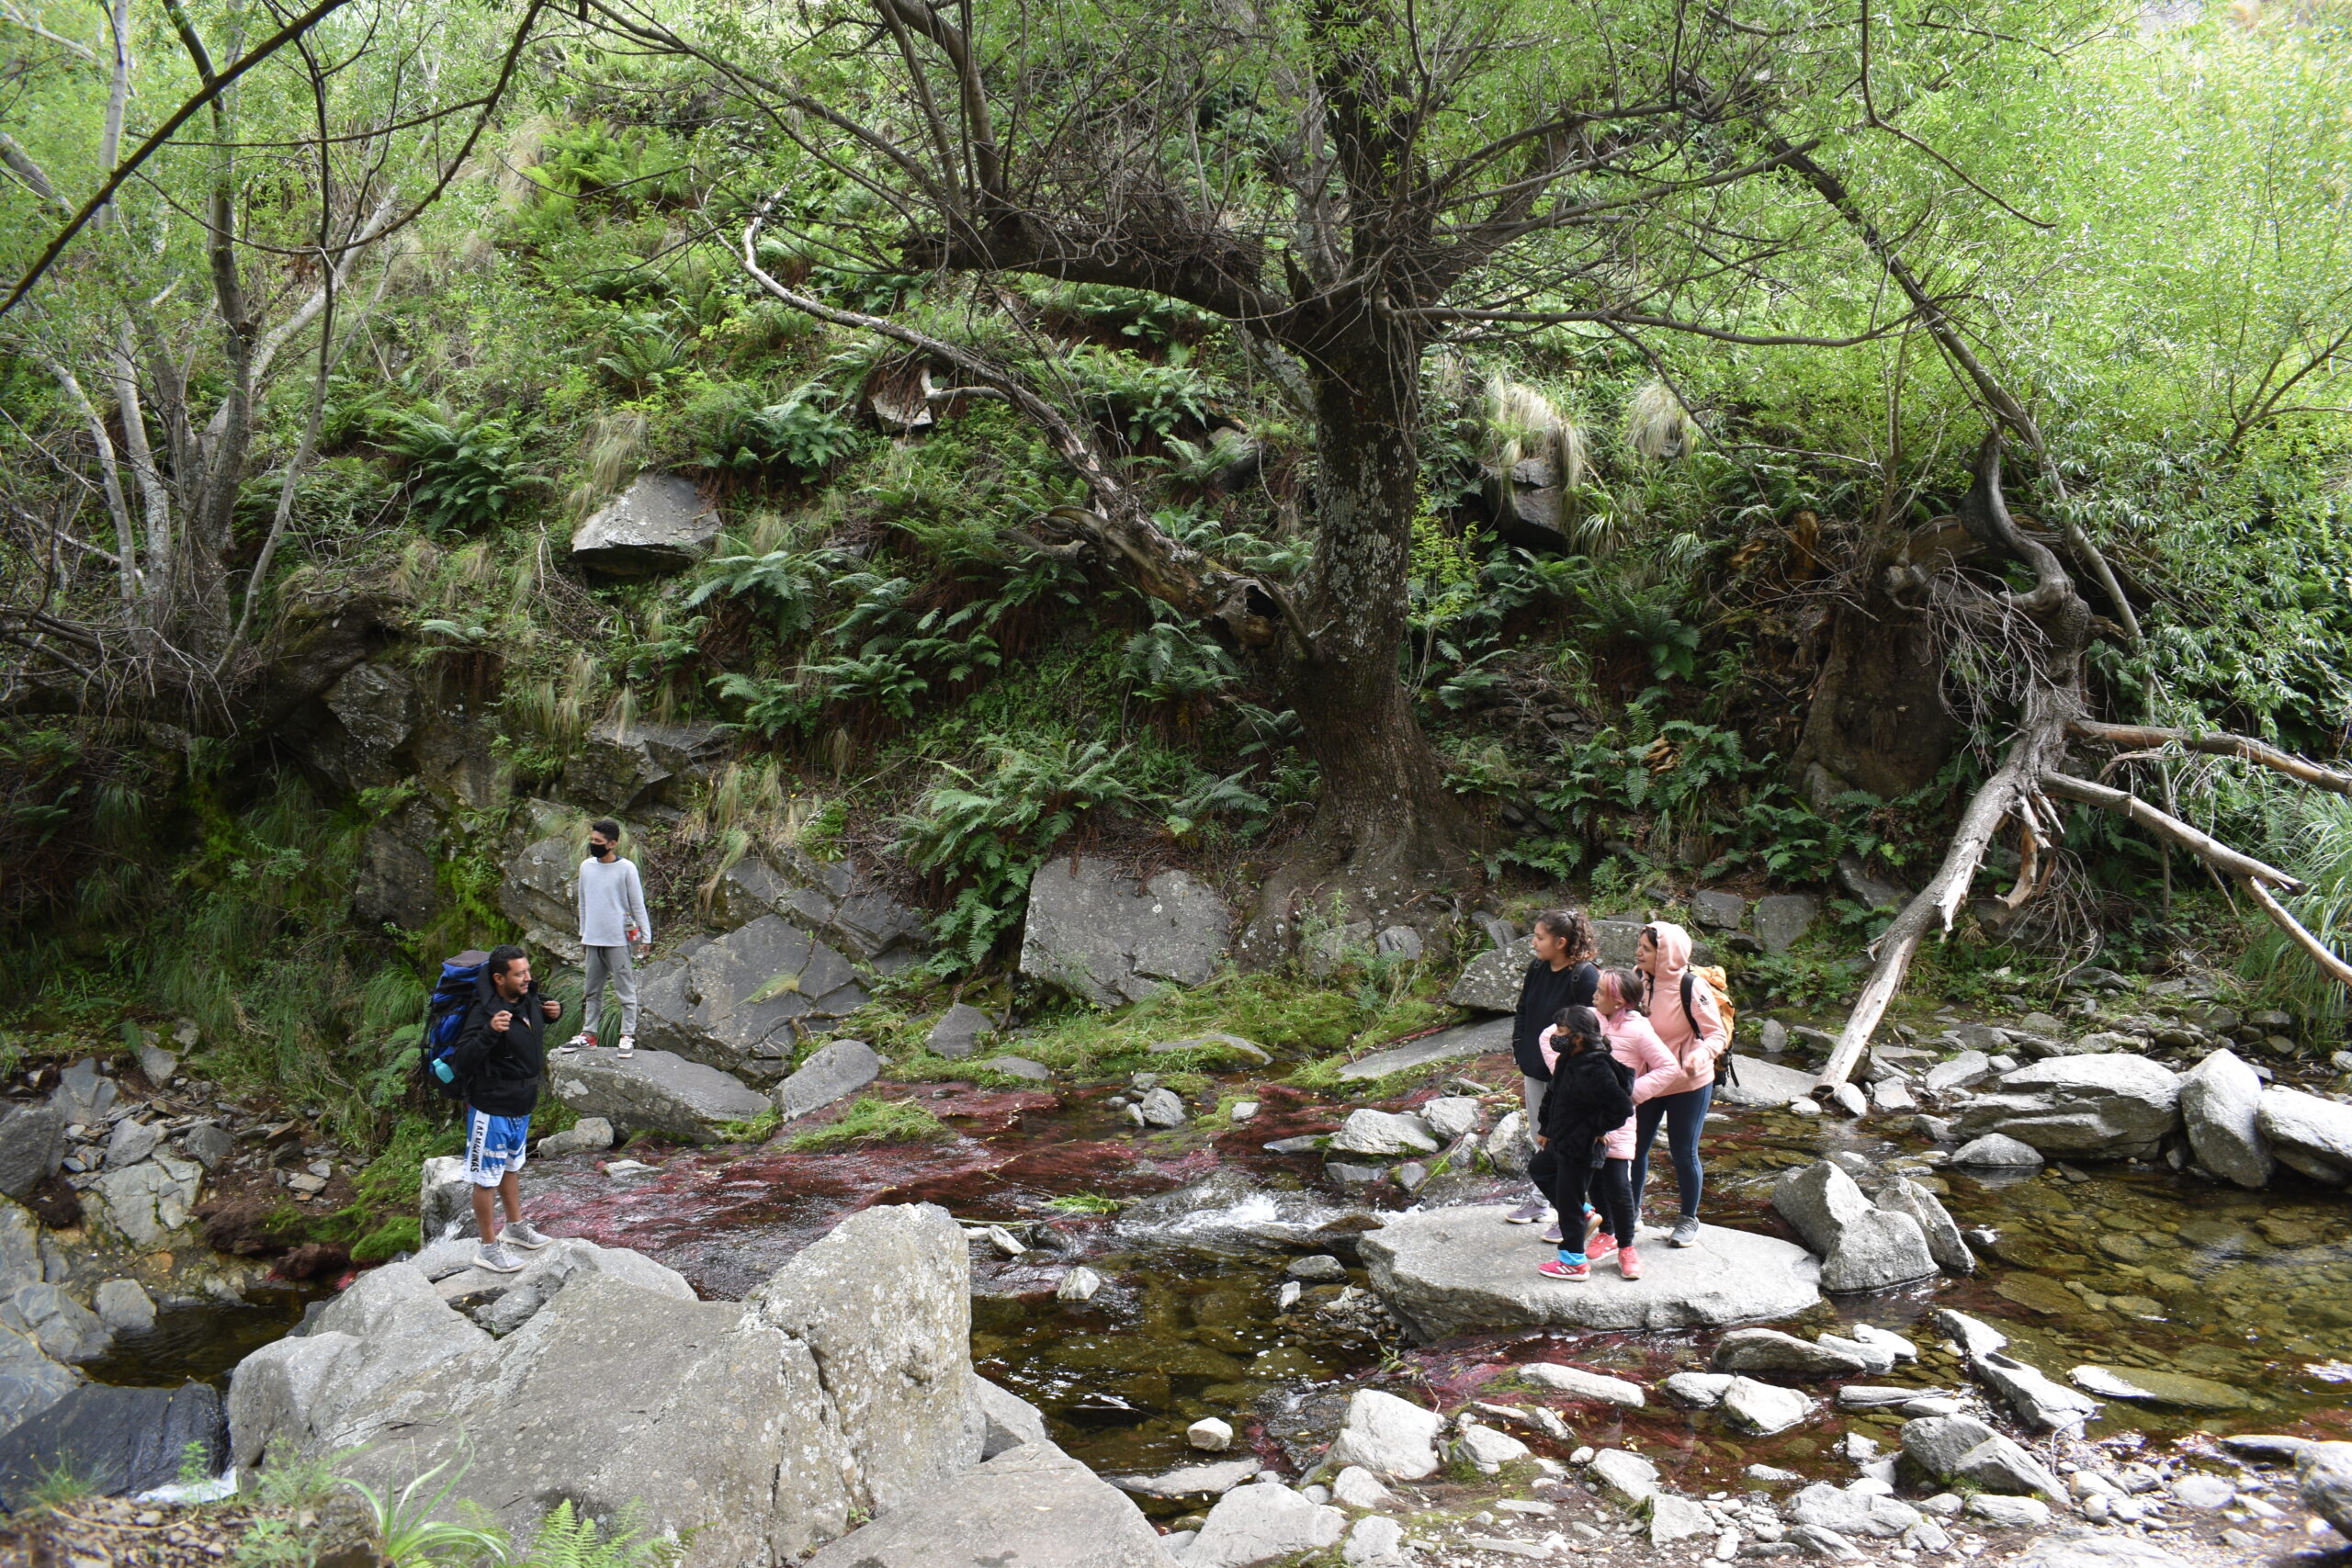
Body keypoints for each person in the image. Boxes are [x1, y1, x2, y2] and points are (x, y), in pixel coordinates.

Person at [453, 943, 562, 1273]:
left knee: (511, 1167)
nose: (528, 978)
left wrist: (553, 1014)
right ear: (499, 978)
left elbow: (525, 1037)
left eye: (528, 970)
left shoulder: (528, 999)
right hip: (492, 1107)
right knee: (486, 1179)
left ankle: (515, 1228)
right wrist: (488, 1032)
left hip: (522, 1103)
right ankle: (487, 1248)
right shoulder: (483, 1011)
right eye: (519, 974)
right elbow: (462, 1060)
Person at [1631, 921, 1728, 1247]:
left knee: (1683, 1152)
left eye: (1646, 948)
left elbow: (1716, 1034)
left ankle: (1688, 1219)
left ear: (1666, 954)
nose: (1639, 953)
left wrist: (1702, 1054)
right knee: (1634, 1149)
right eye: (1639, 946)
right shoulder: (1637, 979)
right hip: (1648, 1080)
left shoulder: (1691, 986)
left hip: (1689, 1081)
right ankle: (1631, 1211)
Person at [1504, 910, 1600, 1236]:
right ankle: (1540, 1201)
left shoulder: (1585, 977)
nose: (1533, 942)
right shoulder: (1537, 968)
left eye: (1539, 937)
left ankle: (1574, 1214)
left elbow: (1593, 1030)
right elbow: (1523, 1010)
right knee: (1540, 1136)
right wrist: (1521, 1046)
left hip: (1569, 1078)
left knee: (1567, 1144)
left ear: (1560, 942)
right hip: (1535, 1068)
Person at [1528, 1005, 1634, 1282]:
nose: (1555, 1035)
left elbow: (1621, 1107)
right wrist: (1546, 1128)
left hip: (1581, 1146)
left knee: (1569, 1201)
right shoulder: (1568, 1059)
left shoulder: (1596, 1066)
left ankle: (1573, 1262)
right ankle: (1586, 1215)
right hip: (1561, 1139)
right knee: (1539, 1168)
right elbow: (1553, 1094)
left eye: (1561, 1030)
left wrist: (1596, 1128)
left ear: (1578, 1035)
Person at [1589, 967, 1680, 1280]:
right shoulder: (1589, 1018)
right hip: (1584, 1117)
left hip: (1617, 1120)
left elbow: (1668, 1067)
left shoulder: (1639, 1030)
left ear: (1618, 1001)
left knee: (1618, 1184)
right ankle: (1607, 1232)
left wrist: (1630, 1095)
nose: (1593, 996)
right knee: (1593, 1179)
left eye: (1600, 992)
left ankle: (1627, 1247)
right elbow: (1549, 1037)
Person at [560, 818, 651, 1060]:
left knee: (625, 990)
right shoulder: (587, 867)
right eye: (592, 840)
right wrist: (584, 934)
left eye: (598, 841)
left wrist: (646, 937)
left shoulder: (626, 869)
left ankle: (627, 1035)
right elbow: (583, 903)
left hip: (618, 940)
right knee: (591, 990)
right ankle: (589, 1034)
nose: (593, 844)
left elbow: (637, 904)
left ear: (612, 844)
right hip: (593, 939)